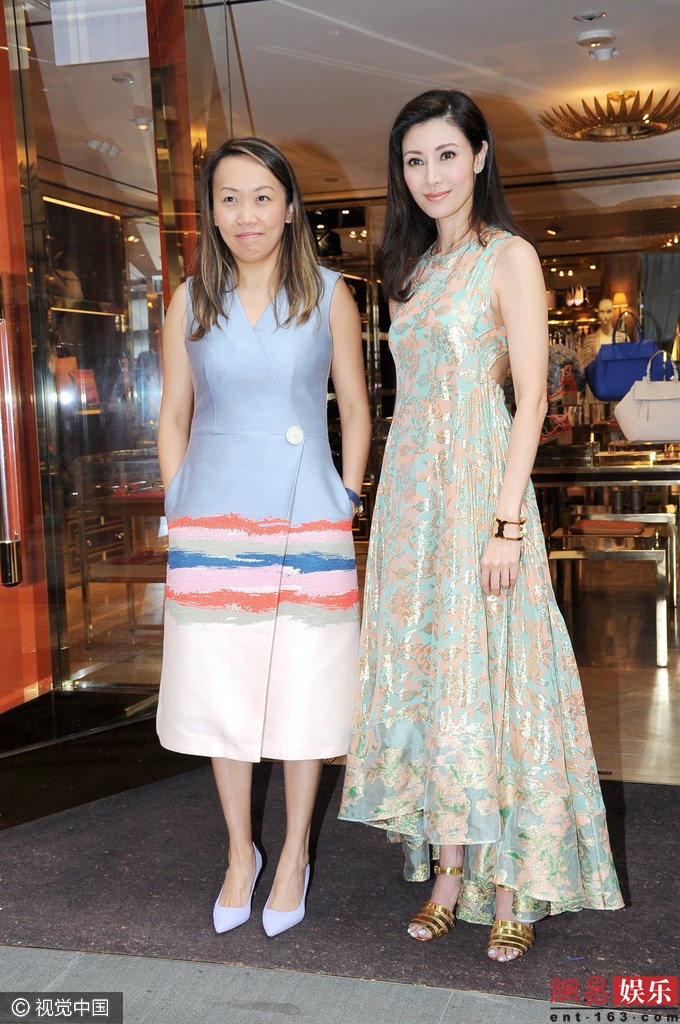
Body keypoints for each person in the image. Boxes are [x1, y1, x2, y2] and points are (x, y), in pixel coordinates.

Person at [338, 90, 623, 962]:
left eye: (446, 155)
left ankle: (511, 887)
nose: (431, 175)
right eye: (414, 160)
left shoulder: (510, 256)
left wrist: (506, 523)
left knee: (495, 676)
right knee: (434, 680)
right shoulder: (414, 269)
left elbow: (530, 398)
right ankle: (447, 874)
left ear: (480, 157)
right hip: (411, 502)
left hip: (479, 493)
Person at [156, 137, 371, 938]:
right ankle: (240, 852)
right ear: (212, 213)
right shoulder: (190, 300)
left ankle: (294, 854)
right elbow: (173, 413)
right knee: (224, 685)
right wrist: (179, 502)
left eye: (260, 196)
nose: (245, 214)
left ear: (288, 207)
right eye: (228, 198)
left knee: (305, 686)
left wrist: (345, 497)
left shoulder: (331, 294)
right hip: (214, 521)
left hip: (307, 516)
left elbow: (355, 406)